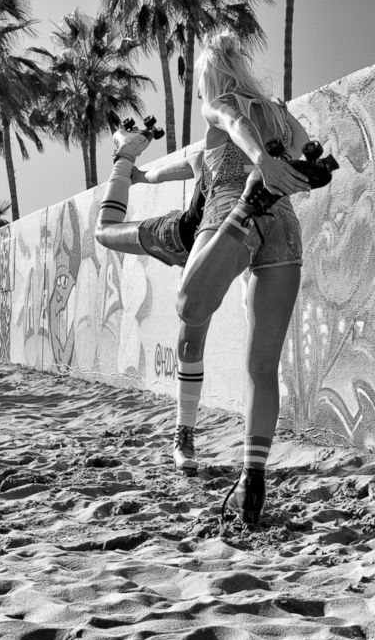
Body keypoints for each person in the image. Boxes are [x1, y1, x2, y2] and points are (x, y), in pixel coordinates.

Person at [174, 30, 313, 524]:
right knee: (262, 367)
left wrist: (260, 163)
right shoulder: (277, 108)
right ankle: (252, 484)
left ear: (209, 74)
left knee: (190, 307)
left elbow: (232, 122)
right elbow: (304, 148)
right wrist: (294, 169)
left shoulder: (221, 101)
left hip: (239, 202)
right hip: (286, 223)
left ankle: (241, 217)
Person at [95, 119, 213, 476]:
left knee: (191, 346)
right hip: (177, 238)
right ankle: (124, 152)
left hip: (216, 255)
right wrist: (135, 171)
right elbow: (159, 173)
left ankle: (184, 438)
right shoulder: (207, 156)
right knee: (104, 232)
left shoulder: (261, 162)